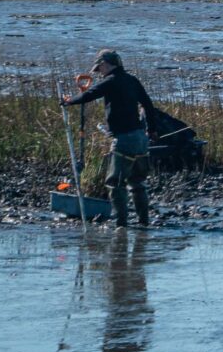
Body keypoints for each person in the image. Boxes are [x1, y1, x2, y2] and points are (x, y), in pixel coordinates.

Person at [65, 50, 156, 227]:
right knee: (137, 182)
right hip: (140, 138)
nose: (100, 72)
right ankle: (144, 222)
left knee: (115, 182)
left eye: (100, 68)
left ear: (106, 64)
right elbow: (148, 104)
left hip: (124, 139)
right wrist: (152, 130)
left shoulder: (111, 81)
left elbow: (88, 95)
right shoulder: (132, 80)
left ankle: (121, 224)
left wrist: (69, 101)